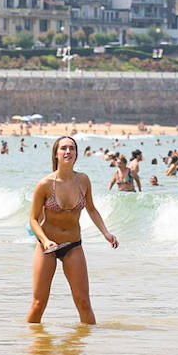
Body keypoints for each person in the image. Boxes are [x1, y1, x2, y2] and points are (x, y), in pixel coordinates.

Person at [26, 136, 119, 324]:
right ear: (56, 154)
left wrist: (106, 233)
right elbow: (33, 219)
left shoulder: (83, 180)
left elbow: (91, 209)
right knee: (38, 303)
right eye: (63, 148)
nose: (68, 151)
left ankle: (89, 341)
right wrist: (45, 240)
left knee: (84, 303)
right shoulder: (45, 185)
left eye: (72, 148)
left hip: (73, 245)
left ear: (76, 153)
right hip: (47, 248)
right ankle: (31, 341)